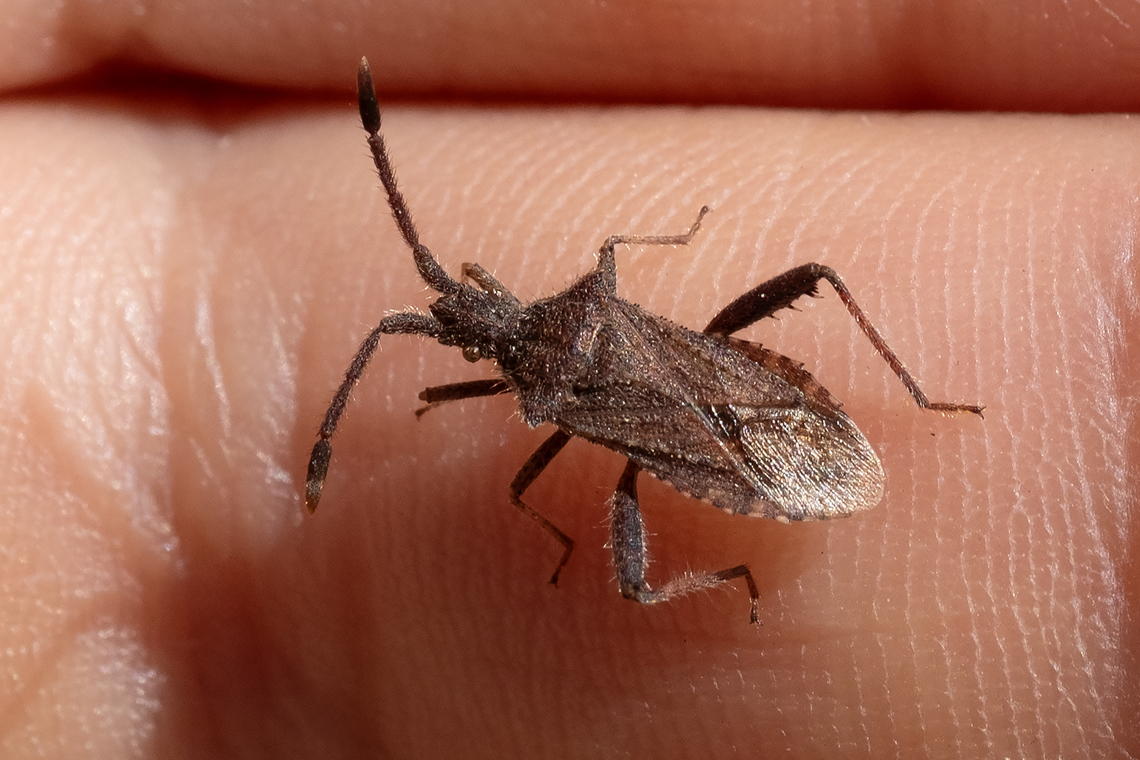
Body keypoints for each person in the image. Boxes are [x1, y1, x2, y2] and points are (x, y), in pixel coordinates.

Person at [1, 2, 1136, 756]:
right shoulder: (571, 320)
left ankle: (856, 457)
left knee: (615, 558)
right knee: (803, 298)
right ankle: (864, 449)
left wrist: (542, 513)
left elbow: (514, 470)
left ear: (492, 321)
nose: (455, 316)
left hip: (701, 411)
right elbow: (551, 320)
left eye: (462, 316)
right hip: (719, 383)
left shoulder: (534, 389)